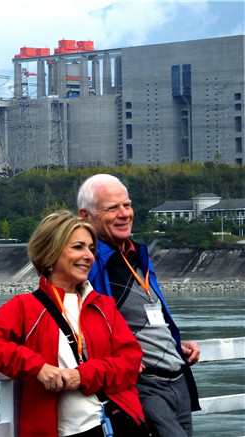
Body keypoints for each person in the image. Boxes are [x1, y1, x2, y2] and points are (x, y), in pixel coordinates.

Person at [0, 211, 149, 437]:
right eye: (78, 247)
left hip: (118, 422)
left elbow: (130, 361)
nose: (89, 256)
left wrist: (82, 376)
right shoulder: (25, 307)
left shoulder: (104, 306)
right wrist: (38, 367)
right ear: (50, 253)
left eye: (91, 249)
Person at [77, 174, 200, 437]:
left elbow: (145, 316)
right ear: (86, 216)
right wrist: (115, 359)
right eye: (112, 208)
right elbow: (76, 323)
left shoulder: (138, 255)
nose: (124, 214)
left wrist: (177, 344)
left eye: (127, 205)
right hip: (142, 384)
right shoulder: (87, 263)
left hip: (178, 378)